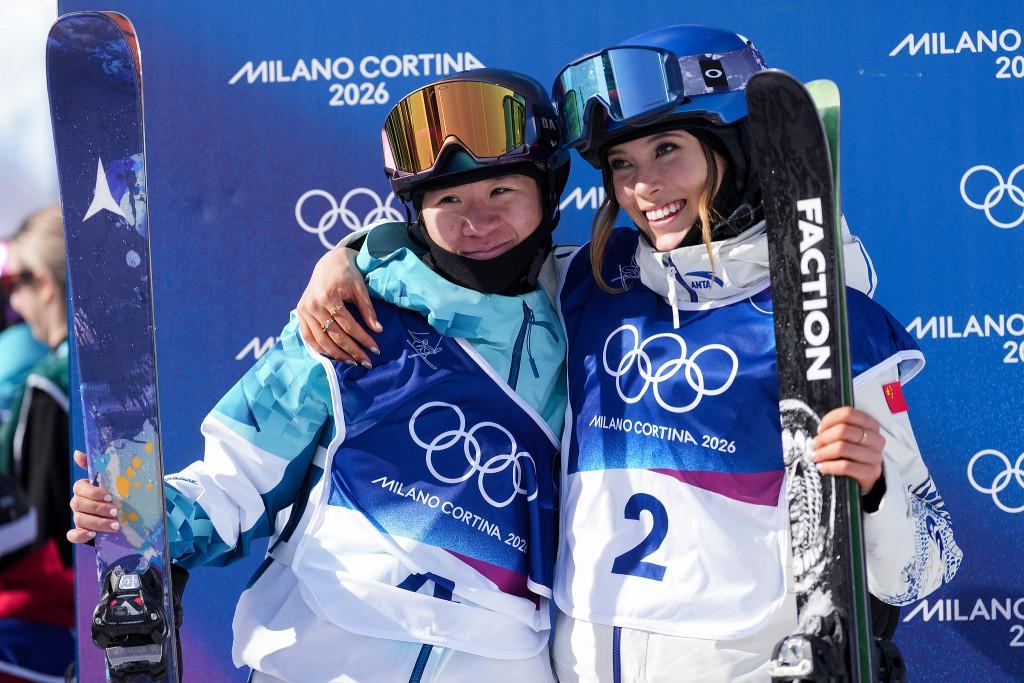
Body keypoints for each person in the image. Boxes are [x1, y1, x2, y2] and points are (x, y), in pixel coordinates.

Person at [294, 26, 962, 682]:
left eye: (667, 150)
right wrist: (352, 254)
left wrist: (874, 487)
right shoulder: (589, 281)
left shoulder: (828, 323)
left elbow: (928, 563)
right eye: (622, 165)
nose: (644, 185)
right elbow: (466, 263)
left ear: (738, 147)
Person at [69, 69, 570, 682]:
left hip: (498, 663)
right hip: (321, 657)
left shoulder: (587, 318)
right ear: (415, 212)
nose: (478, 221)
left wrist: (348, 249)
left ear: (550, 189)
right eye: (449, 201)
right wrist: (143, 518)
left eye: (501, 191)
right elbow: (236, 479)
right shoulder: (348, 322)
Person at [0, 206, 75, 683]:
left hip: (65, 612)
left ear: (44, 283)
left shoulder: (50, 384)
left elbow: (44, 528)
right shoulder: (133, 371)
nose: (13, 303)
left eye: (14, 285)